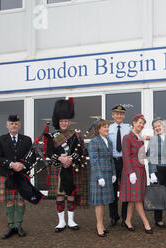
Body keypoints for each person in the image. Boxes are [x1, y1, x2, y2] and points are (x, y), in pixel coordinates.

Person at [46, 98, 88, 233]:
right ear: (58, 122)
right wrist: (60, 158)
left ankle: (71, 220)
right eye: (62, 121)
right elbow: (48, 153)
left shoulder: (75, 135)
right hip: (58, 169)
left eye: (66, 121)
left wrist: (70, 158)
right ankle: (61, 221)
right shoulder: (51, 136)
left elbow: (80, 151)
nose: (64, 123)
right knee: (59, 195)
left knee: (71, 195)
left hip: (71, 168)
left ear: (69, 122)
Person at [0, 114, 33, 239]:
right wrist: (11, 164)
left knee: (21, 200)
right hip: (7, 174)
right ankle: (11, 226)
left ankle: (20, 226)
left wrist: (23, 165)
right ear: (7, 125)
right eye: (11, 123)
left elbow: (32, 156)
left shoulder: (27, 140)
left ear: (19, 125)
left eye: (16, 123)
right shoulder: (0, 140)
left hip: (22, 175)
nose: (14, 125)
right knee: (9, 201)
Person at [120, 114, 153, 234]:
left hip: (140, 170)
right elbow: (126, 156)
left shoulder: (140, 138)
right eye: (139, 122)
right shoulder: (127, 137)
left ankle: (128, 220)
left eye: (143, 123)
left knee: (133, 199)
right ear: (134, 123)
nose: (141, 125)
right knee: (137, 199)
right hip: (132, 171)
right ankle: (146, 223)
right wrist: (130, 173)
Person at [88, 119, 116, 237]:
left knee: (104, 201)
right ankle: (99, 225)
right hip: (98, 176)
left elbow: (111, 159)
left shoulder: (109, 141)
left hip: (108, 174)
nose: (107, 128)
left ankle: (102, 224)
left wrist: (114, 173)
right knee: (99, 202)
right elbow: (94, 161)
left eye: (107, 126)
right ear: (98, 129)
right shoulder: (94, 141)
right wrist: (99, 177)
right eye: (105, 127)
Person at [147, 117, 166, 228]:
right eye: (155, 127)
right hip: (158, 169)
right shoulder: (153, 140)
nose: (157, 128)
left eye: (159, 125)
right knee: (158, 194)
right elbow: (150, 156)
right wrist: (152, 172)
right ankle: (158, 219)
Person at [107, 105, 131, 227]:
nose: (119, 116)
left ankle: (125, 218)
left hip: (125, 161)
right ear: (112, 115)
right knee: (112, 189)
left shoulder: (129, 128)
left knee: (125, 190)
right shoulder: (108, 128)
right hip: (112, 162)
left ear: (124, 116)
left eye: (121, 114)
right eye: (116, 113)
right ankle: (113, 216)